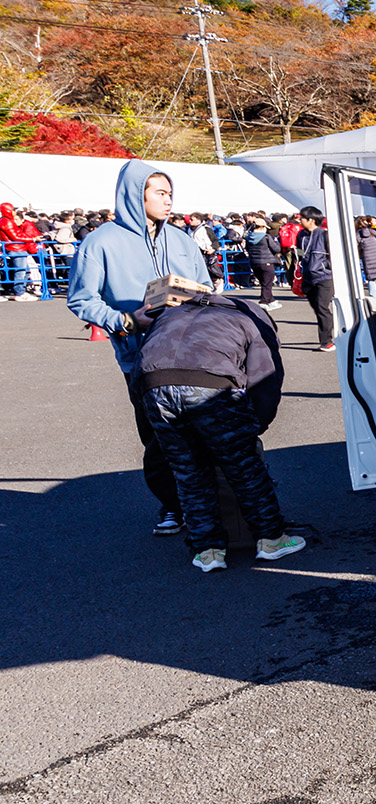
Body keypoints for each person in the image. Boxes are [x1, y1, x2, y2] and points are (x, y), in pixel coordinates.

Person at [65, 161, 212, 536]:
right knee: (158, 434)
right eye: (160, 193)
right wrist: (128, 320)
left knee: (205, 428)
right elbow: (82, 300)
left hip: (193, 351)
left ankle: (211, 503)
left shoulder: (180, 238)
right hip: (140, 356)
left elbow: (207, 285)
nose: (168, 200)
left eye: (170, 193)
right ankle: (171, 505)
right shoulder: (101, 241)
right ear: (136, 195)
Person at [129, 288, 304, 572]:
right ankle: (272, 539)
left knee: (188, 473)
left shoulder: (171, 314)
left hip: (153, 385)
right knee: (243, 466)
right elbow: (265, 380)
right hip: (211, 385)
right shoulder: (250, 320)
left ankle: (208, 550)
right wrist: (256, 426)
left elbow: (144, 362)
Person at [296, 206, 336, 352]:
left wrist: (326, 266)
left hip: (324, 276)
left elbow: (333, 254)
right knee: (317, 308)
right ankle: (330, 330)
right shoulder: (301, 235)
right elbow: (300, 252)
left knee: (322, 307)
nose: (300, 220)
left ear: (311, 220)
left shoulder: (324, 235)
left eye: (302, 218)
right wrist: (300, 264)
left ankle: (327, 341)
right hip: (308, 276)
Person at [243, 217, 282, 309]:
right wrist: (277, 242)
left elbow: (247, 249)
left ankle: (271, 300)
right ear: (262, 227)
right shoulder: (266, 237)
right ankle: (263, 302)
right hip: (266, 261)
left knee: (264, 282)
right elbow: (276, 249)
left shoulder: (249, 237)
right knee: (267, 283)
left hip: (254, 262)